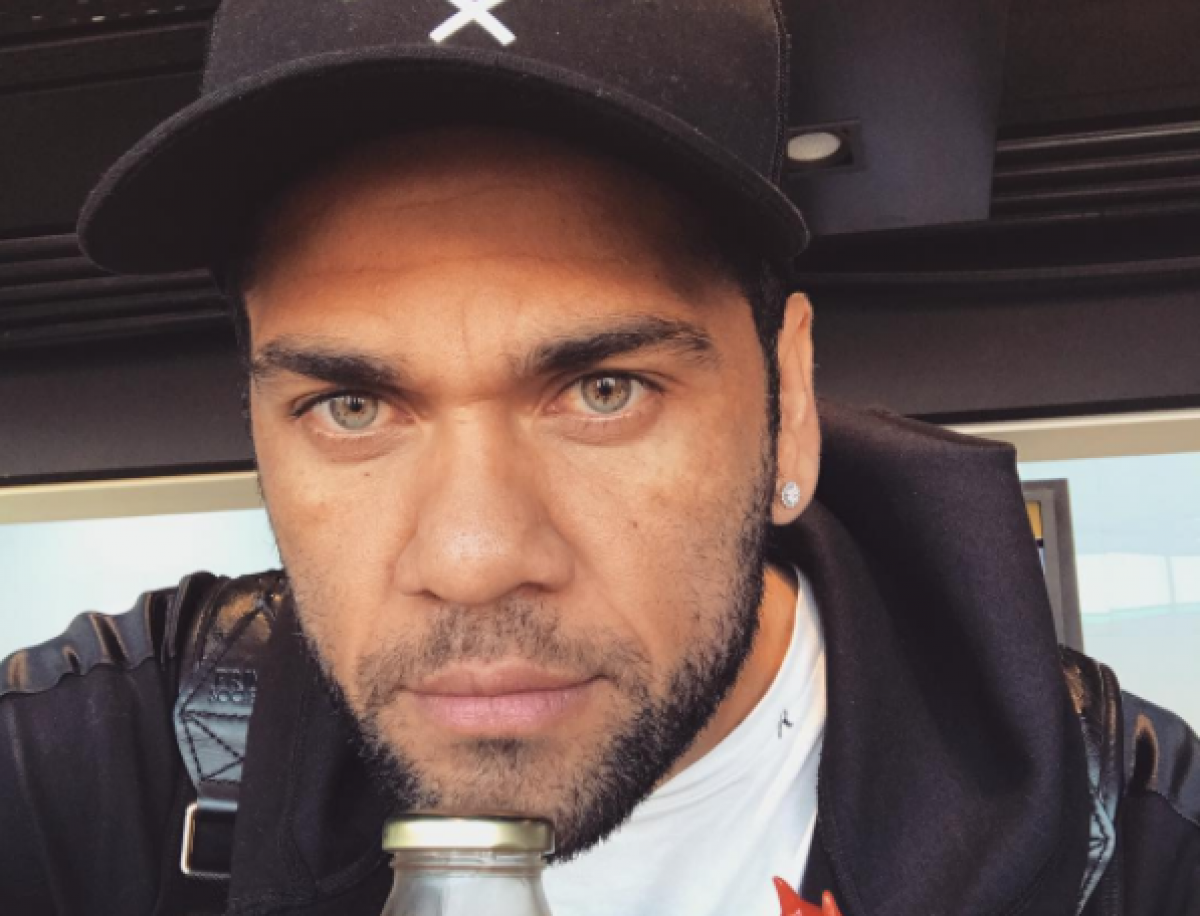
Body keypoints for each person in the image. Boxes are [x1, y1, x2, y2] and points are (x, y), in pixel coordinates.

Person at [2, 1, 1197, 914]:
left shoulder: (1136, 845)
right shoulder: (113, 762)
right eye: (352, 406)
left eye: (602, 390)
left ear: (787, 405)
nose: (473, 559)